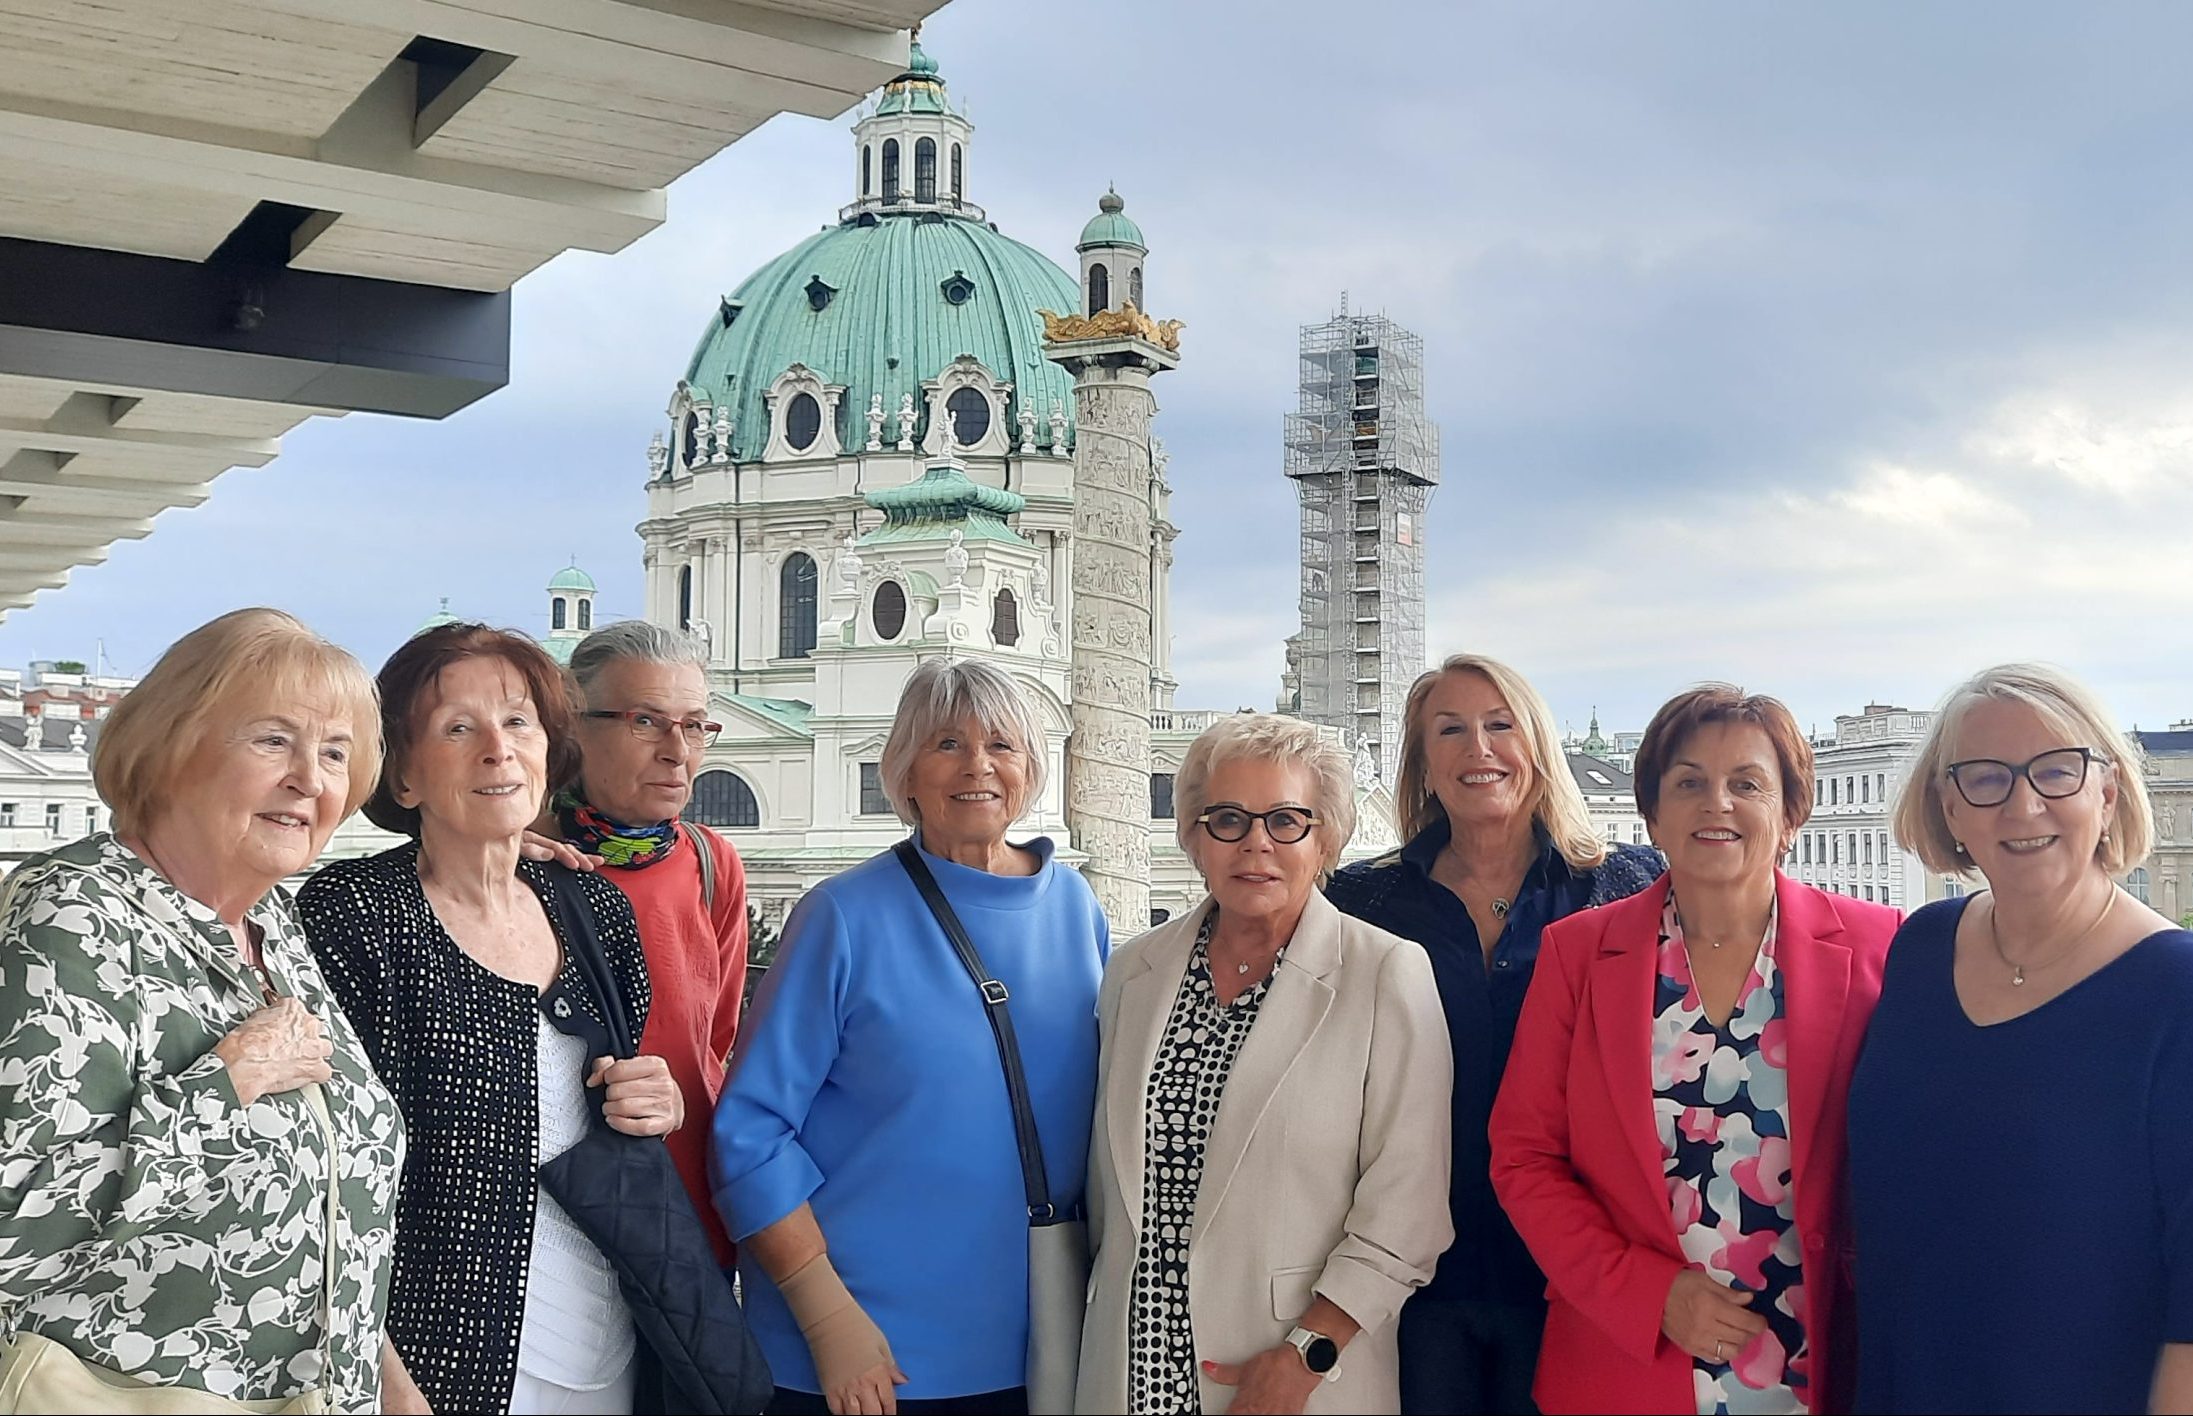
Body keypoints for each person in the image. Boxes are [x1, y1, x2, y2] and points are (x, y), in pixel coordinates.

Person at [0, 608, 422, 1410]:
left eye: (336, 753)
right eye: (273, 740)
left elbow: (331, 1207)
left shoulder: (272, 929)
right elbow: (18, 1210)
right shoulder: (77, 913)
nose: (311, 778)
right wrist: (227, 1081)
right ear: (171, 746)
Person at [300, 623, 684, 1415]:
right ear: (402, 776)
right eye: (457, 728)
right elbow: (319, 1174)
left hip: (605, 1332)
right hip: (433, 1351)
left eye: (517, 722)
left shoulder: (595, 909)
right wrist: (380, 1374)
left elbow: (612, 1097)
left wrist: (656, 1100)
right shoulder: (353, 916)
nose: (497, 750)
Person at [712, 658, 1109, 1416]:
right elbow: (748, 1134)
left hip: (1036, 1342)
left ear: (1032, 766)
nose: (978, 765)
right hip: (861, 1353)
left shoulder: (1076, 909)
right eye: (947, 744)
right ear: (904, 772)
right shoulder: (842, 916)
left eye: (1003, 744)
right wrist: (828, 1319)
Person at [1490, 685, 1898, 1415]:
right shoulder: (1577, 955)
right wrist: (1648, 1295)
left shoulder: (1880, 946)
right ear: (1651, 813)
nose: (1717, 803)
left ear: (1788, 814)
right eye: (1688, 782)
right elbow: (1523, 1157)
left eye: (1746, 783)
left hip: (1821, 1367)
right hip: (1627, 1359)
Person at [1078, 713, 1453, 1416]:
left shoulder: (1385, 974)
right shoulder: (1133, 971)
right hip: (1130, 1369)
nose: (1255, 843)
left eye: (1286, 820)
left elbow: (1409, 1213)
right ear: (1193, 834)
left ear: (1326, 840)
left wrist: (1308, 1353)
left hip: (1296, 1376)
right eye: (1227, 819)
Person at [1850, 663, 2193, 1413]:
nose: (2022, 803)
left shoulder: (2177, 992)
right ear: (1949, 806)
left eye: (2055, 771)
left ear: (2105, 794)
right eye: (1985, 778)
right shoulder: (1920, 948)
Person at [1326, 653, 1661, 1414]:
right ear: (1422, 761)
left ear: (1536, 745)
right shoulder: (1363, 898)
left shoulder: (1620, 883)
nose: (1477, 749)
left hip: (1576, 1264)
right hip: (1413, 1270)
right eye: (1450, 730)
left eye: (1499, 725)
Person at [545, 620, 750, 1264]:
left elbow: (714, 1047)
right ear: (572, 725)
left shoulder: (713, 863)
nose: (677, 750)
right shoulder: (515, 862)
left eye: (695, 726)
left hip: (683, 1216)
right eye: (646, 721)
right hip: (557, 1225)